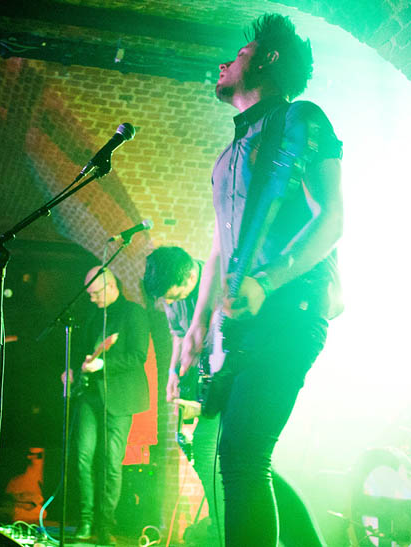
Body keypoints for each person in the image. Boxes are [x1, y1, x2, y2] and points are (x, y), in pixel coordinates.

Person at [179, 13, 343, 547]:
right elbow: (220, 248)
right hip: (240, 326)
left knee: (244, 454)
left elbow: (333, 219)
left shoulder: (304, 121)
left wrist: (268, 281)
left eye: (241, 53)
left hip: (291, 312)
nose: (226, 62)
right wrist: (196, 325)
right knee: (215, 450)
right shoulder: (228, 156)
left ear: (268, 59)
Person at [144, 246, 222, 546]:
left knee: (214, 454)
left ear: (192, 275)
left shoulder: (217, 285)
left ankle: (223, 529)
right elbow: (178, 335)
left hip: (226, 379)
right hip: (200, 381)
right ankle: (219, 526)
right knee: (199, 452)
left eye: (174, 296)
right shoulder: (170, 297)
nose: (169, 302)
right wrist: (172, 373)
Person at [68, 266, 150, 544]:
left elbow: (138, 356)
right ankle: (86, 520)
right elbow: (83, 352)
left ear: (111, 286)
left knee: (112, 462)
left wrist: (104, 364)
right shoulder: (93, 315)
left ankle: (105, 526)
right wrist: (72, 370)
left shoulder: (133, 313)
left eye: (95, 293)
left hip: (119, 397)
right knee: (82, 457)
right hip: (90, 396)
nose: (91, 299)